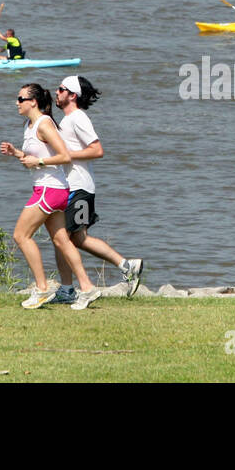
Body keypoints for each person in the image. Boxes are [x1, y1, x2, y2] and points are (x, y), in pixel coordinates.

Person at [0, 83, 101, 310]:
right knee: (61, 241)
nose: (16, 103)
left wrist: (40, 162)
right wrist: (17, 153)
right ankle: (87, 288)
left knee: (21, 236)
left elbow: (64, 156)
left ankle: (42, 288)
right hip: (50, 189)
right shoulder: (30, 124)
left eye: (20, 99)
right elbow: (37, 155)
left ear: (33, 102)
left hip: (50, 190)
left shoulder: (44, 124)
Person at [47, 75, 144, 303]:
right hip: (75, 187)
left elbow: (97, 150)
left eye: (61, 89)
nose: (56, 92)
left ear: (73, 95)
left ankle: (70, 288)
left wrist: (66, 156)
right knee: (77, 239)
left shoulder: (78, 118)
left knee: (62, 238)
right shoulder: (68, 120)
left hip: (78, 188)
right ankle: (126, 266)